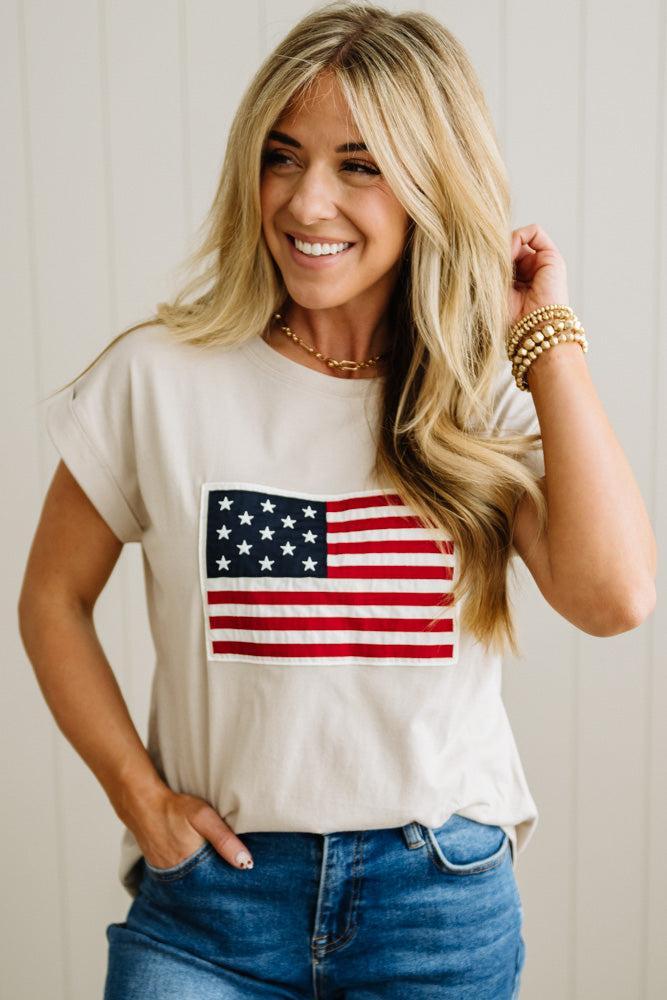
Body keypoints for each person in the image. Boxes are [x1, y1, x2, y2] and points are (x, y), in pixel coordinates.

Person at [18, 2, 656, 997]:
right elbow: (50, 597)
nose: (307, 202)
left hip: (433, 902)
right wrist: (138, 796)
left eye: (359, 164)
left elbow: (612, 596)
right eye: (282, 156)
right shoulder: (160, 376)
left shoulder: (479, 389)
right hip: (212, 906)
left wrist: (548, 339)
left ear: (429, 183)